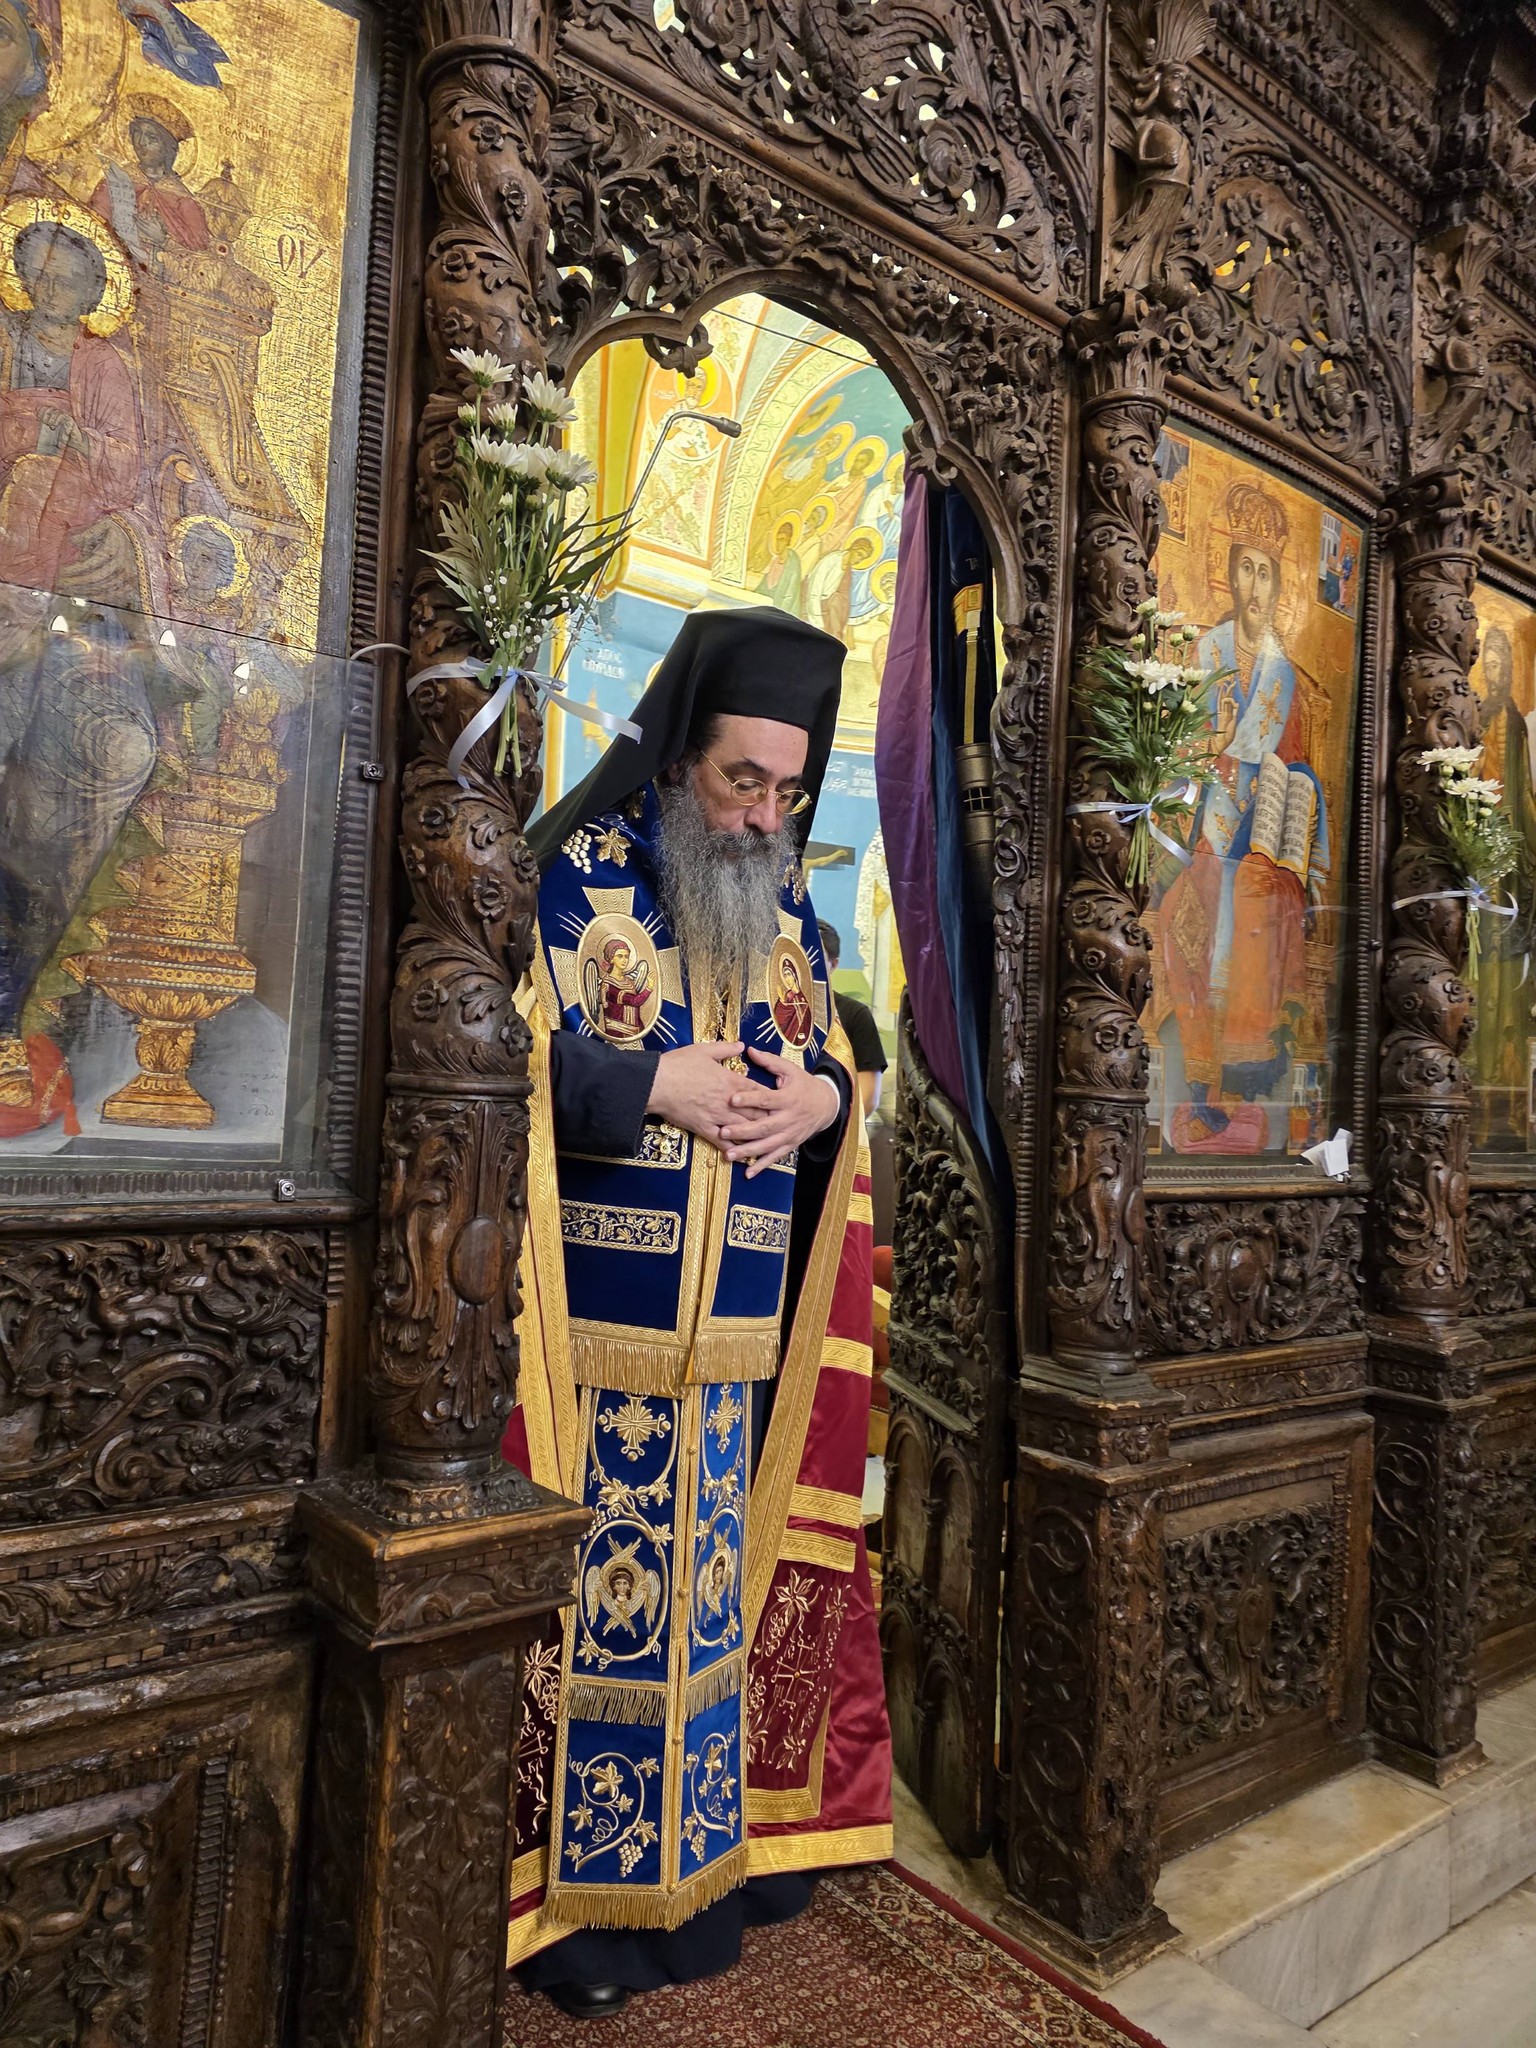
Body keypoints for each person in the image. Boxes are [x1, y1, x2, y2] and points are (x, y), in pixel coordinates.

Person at [504, 606, 892, 2019]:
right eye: (742, 781)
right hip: (584, 1361)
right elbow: (474, 1057)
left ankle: (703, 1872)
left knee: (706, 1630)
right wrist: (642, 1083)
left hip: (733, 1362)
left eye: (789, 790)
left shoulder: (787, 913)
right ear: (675, 757)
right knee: (594, 1634)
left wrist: (826, 1100)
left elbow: (832, 1063)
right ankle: (577, 1920)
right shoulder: (566, 880)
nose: (764, 818)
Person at [1150, 479, 1327, 1153]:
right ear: (1228, 577)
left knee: (1260, 910)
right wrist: (1215, 748)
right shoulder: (1205, 656)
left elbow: (1301, 772)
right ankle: (1200, 1097)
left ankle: (1245, 1097)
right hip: (1208, 825)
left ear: (1279, 586)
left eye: (1266, 572)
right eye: (1245, 569)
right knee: (1193, 919)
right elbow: (1176, 755)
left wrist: (1291, 797)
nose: (1254, 585)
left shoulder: (1287, 679)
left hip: (1266, 843)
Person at [817, 917, 887, 1116]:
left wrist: (835, 1129)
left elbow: (868, 1096)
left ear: (833, 964)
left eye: (814, 956)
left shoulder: (855, 1014)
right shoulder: (770, 1011)